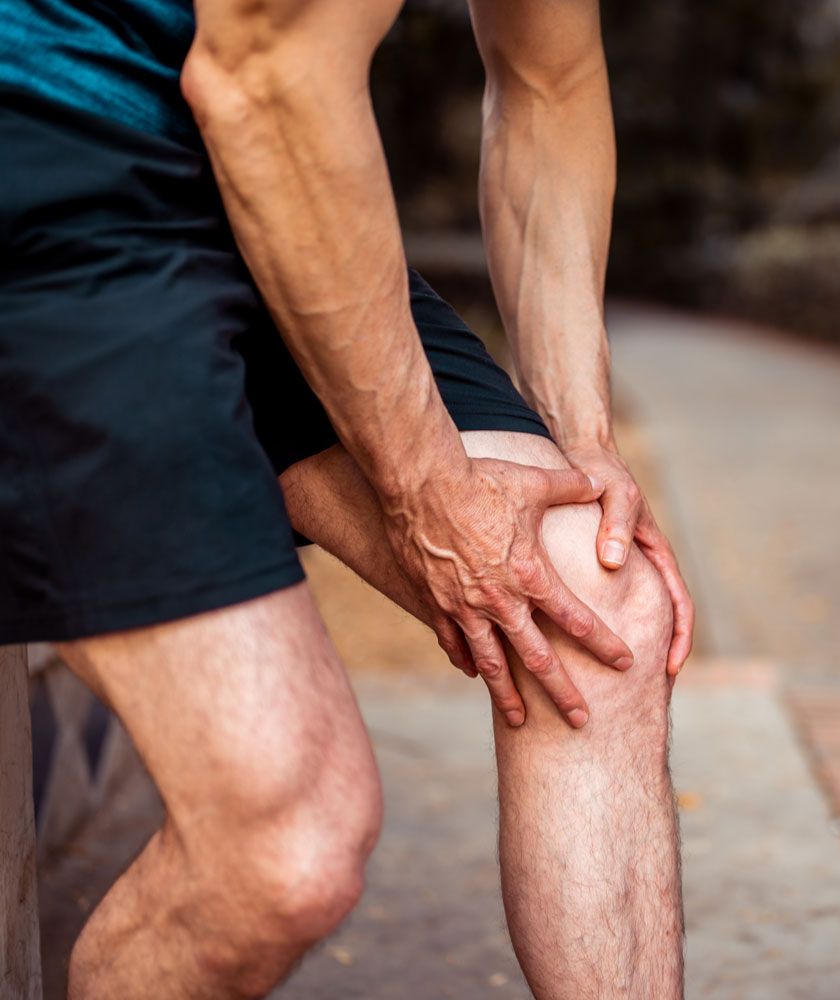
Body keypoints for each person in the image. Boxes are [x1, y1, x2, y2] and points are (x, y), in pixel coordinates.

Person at [0, 0, 694, 996]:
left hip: (267, 181)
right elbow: (262, 71)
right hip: (55, 161)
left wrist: (586, 449)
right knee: (282, 847)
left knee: (597, 597)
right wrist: (426, 488)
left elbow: (549, 83)